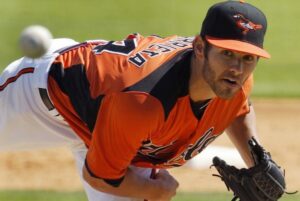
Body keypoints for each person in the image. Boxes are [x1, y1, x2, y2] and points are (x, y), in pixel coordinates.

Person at [0, 1, 273, 200]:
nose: (237, 68)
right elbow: (99, 177)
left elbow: (237, 109)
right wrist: (156, 189)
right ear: (200, 47)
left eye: (248, 58)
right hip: (43, 98)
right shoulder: (144, 101)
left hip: (115, 118)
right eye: (227, 54)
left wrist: (256, 159)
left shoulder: (235, 81)